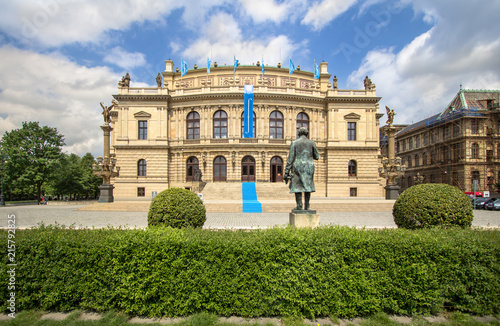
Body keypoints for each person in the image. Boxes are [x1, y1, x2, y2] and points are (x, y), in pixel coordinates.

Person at [284, 127, 319, 211]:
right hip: (309, 166)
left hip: (298, 166)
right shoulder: (312, 143)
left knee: (297, 187)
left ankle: (299, 206)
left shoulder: (294, 143)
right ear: (307, 134)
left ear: (298, 134)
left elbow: (290, 159)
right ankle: (307, 206)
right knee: (308, 186)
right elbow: (316, 156)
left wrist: (286, 172)